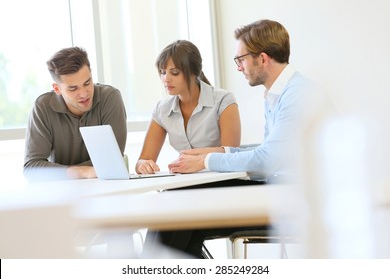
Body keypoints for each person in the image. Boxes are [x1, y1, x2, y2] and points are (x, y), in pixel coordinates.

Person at [149, 19, 328, 258]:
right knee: (177, 206)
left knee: (182, 209)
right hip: (279, 190)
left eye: (241, 59)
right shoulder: (278, 93)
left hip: (295, 200)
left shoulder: (296, 95)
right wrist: (221, 153)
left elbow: (266, 160)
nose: (238, 67)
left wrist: (206, 161)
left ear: (262, 59)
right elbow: (270, 151)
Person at [135, 40, 241, 174]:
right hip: (183, 183)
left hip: (219, 181)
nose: (166, 79)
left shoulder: (223, 101)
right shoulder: (162, 109)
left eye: (174, 73)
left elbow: (232, 155)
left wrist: (198, 157)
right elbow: (142, 160)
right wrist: (143, 165)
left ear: (193, 72)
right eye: (162, 72)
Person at [23, 46, 127, 181]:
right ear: (57, 89)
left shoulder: (110, 98)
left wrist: (61, 171)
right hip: (62, 192)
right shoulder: (42, 107)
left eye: (87, 83)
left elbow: (112, 160)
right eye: (73, 88)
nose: (84, 94)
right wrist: (82, 172)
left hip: (104, 185)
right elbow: (31, 168)